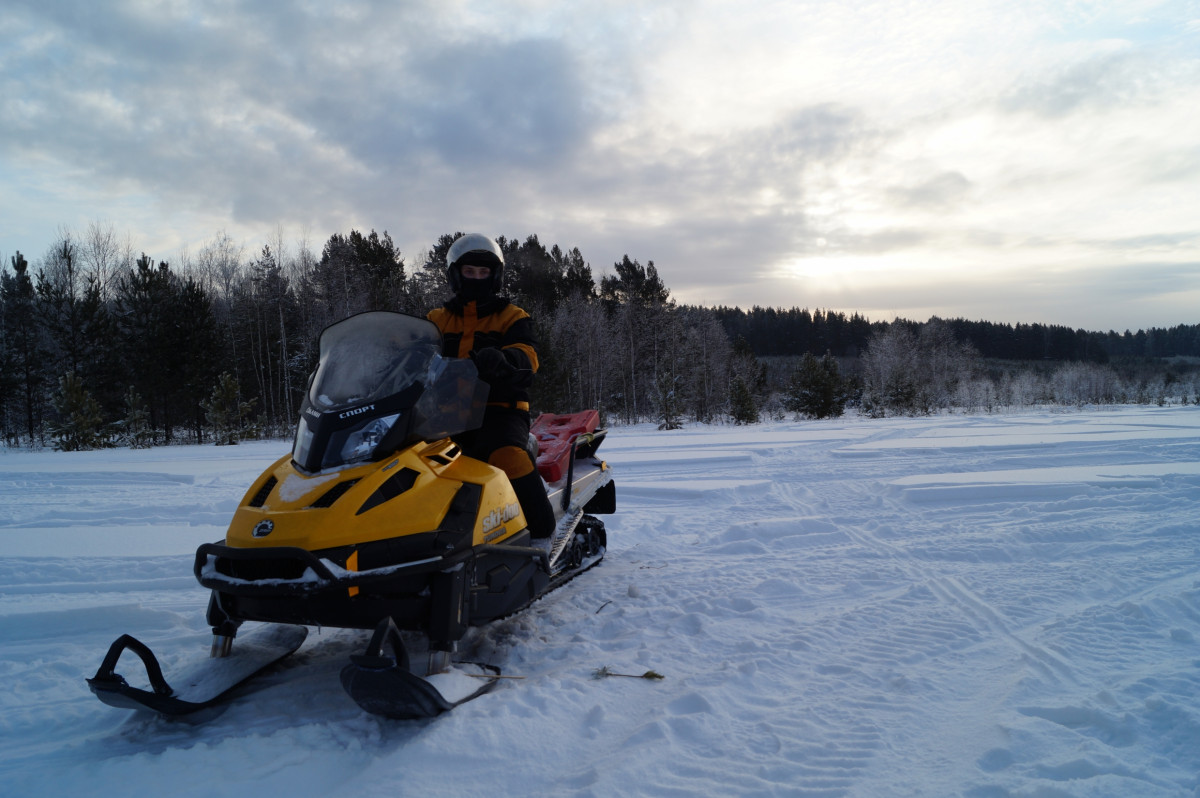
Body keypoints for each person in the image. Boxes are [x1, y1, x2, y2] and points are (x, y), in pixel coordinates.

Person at [427, 233, 557, 539]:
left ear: (494, 275)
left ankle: (541, 529)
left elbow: (529, 355)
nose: (476, 278)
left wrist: (505, 358)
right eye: (469, 272)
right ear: (455, 274)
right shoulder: (436, 320)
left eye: (483, 272)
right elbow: (413, 352)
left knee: (506, 455)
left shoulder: (512, 317)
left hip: (500, 410)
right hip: (445, 414)